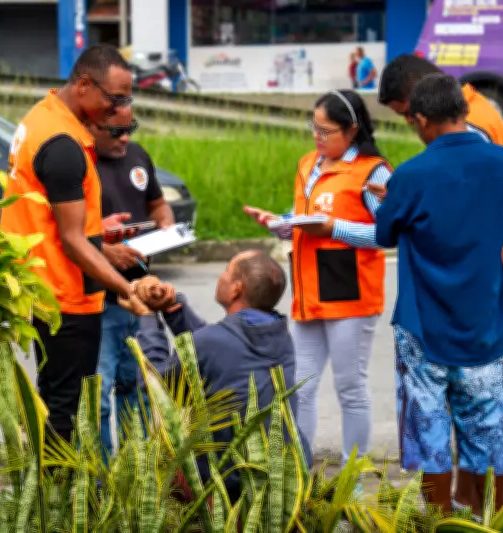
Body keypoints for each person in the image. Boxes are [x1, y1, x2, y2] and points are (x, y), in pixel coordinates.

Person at [375, 74, 503, 516]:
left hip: (424, 327)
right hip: (483, 323)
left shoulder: (411, 174)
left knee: (430, 433)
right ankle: (485, 520)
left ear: (421, 120)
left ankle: (439, 521)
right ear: (462, 110)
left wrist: (391, 198)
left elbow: (385, 232)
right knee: (486, 431)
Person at [0, 44, 142, 443]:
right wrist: (127, 287)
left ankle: (55, 497)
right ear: (84, 85)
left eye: (127, 99)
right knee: (66, 414)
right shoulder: (63, 145)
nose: (118, 110)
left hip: (43, 286)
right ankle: (58, 502)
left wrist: (104, 244)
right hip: (65, 297)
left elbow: (47, 219)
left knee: (58, 404)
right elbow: (72, 241)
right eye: (114, 99)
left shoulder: (42, 117)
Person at [243, 90, 392, 467]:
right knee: (301, 388)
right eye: (314, 127)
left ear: (352, 130)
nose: (317, 137)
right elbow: (302, 221)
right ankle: (300, 474)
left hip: (350, 294)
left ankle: (352, 482)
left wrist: (335, 229)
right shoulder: (309, 164)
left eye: (326, 131)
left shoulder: (373, 172)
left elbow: (386, 233)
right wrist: (280, 224)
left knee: (350, 389)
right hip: (308, 293)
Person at [119, 251, 312, 501]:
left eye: (225, 272)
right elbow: (220, 346)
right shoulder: (279, 334)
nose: (220, 277)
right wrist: (174, 308)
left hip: (230, 482)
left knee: (164, 453)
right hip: (287, 471)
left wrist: (146, 320)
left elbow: (155, 386)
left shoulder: (211, 343)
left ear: (236, 289)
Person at [377, 53, 503, 296]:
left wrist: (406, 201)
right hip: (487, 255)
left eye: (408, 113)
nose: (411, 121)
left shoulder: (465, 128)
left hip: (473, 263)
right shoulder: (475, 105)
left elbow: (462, 204)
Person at [91, 107, 175, 457]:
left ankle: (133, 470)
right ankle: (101, 483)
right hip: (100, 299)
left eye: (131, 129)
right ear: (93, 125)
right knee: (100, 398)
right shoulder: (80, 163)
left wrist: (167, 227)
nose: (125, 138)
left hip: (139, 297)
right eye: (117, 132)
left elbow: (157, 205)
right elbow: (66, 232)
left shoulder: (138, 155)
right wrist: (105, 250)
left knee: (136, 390)